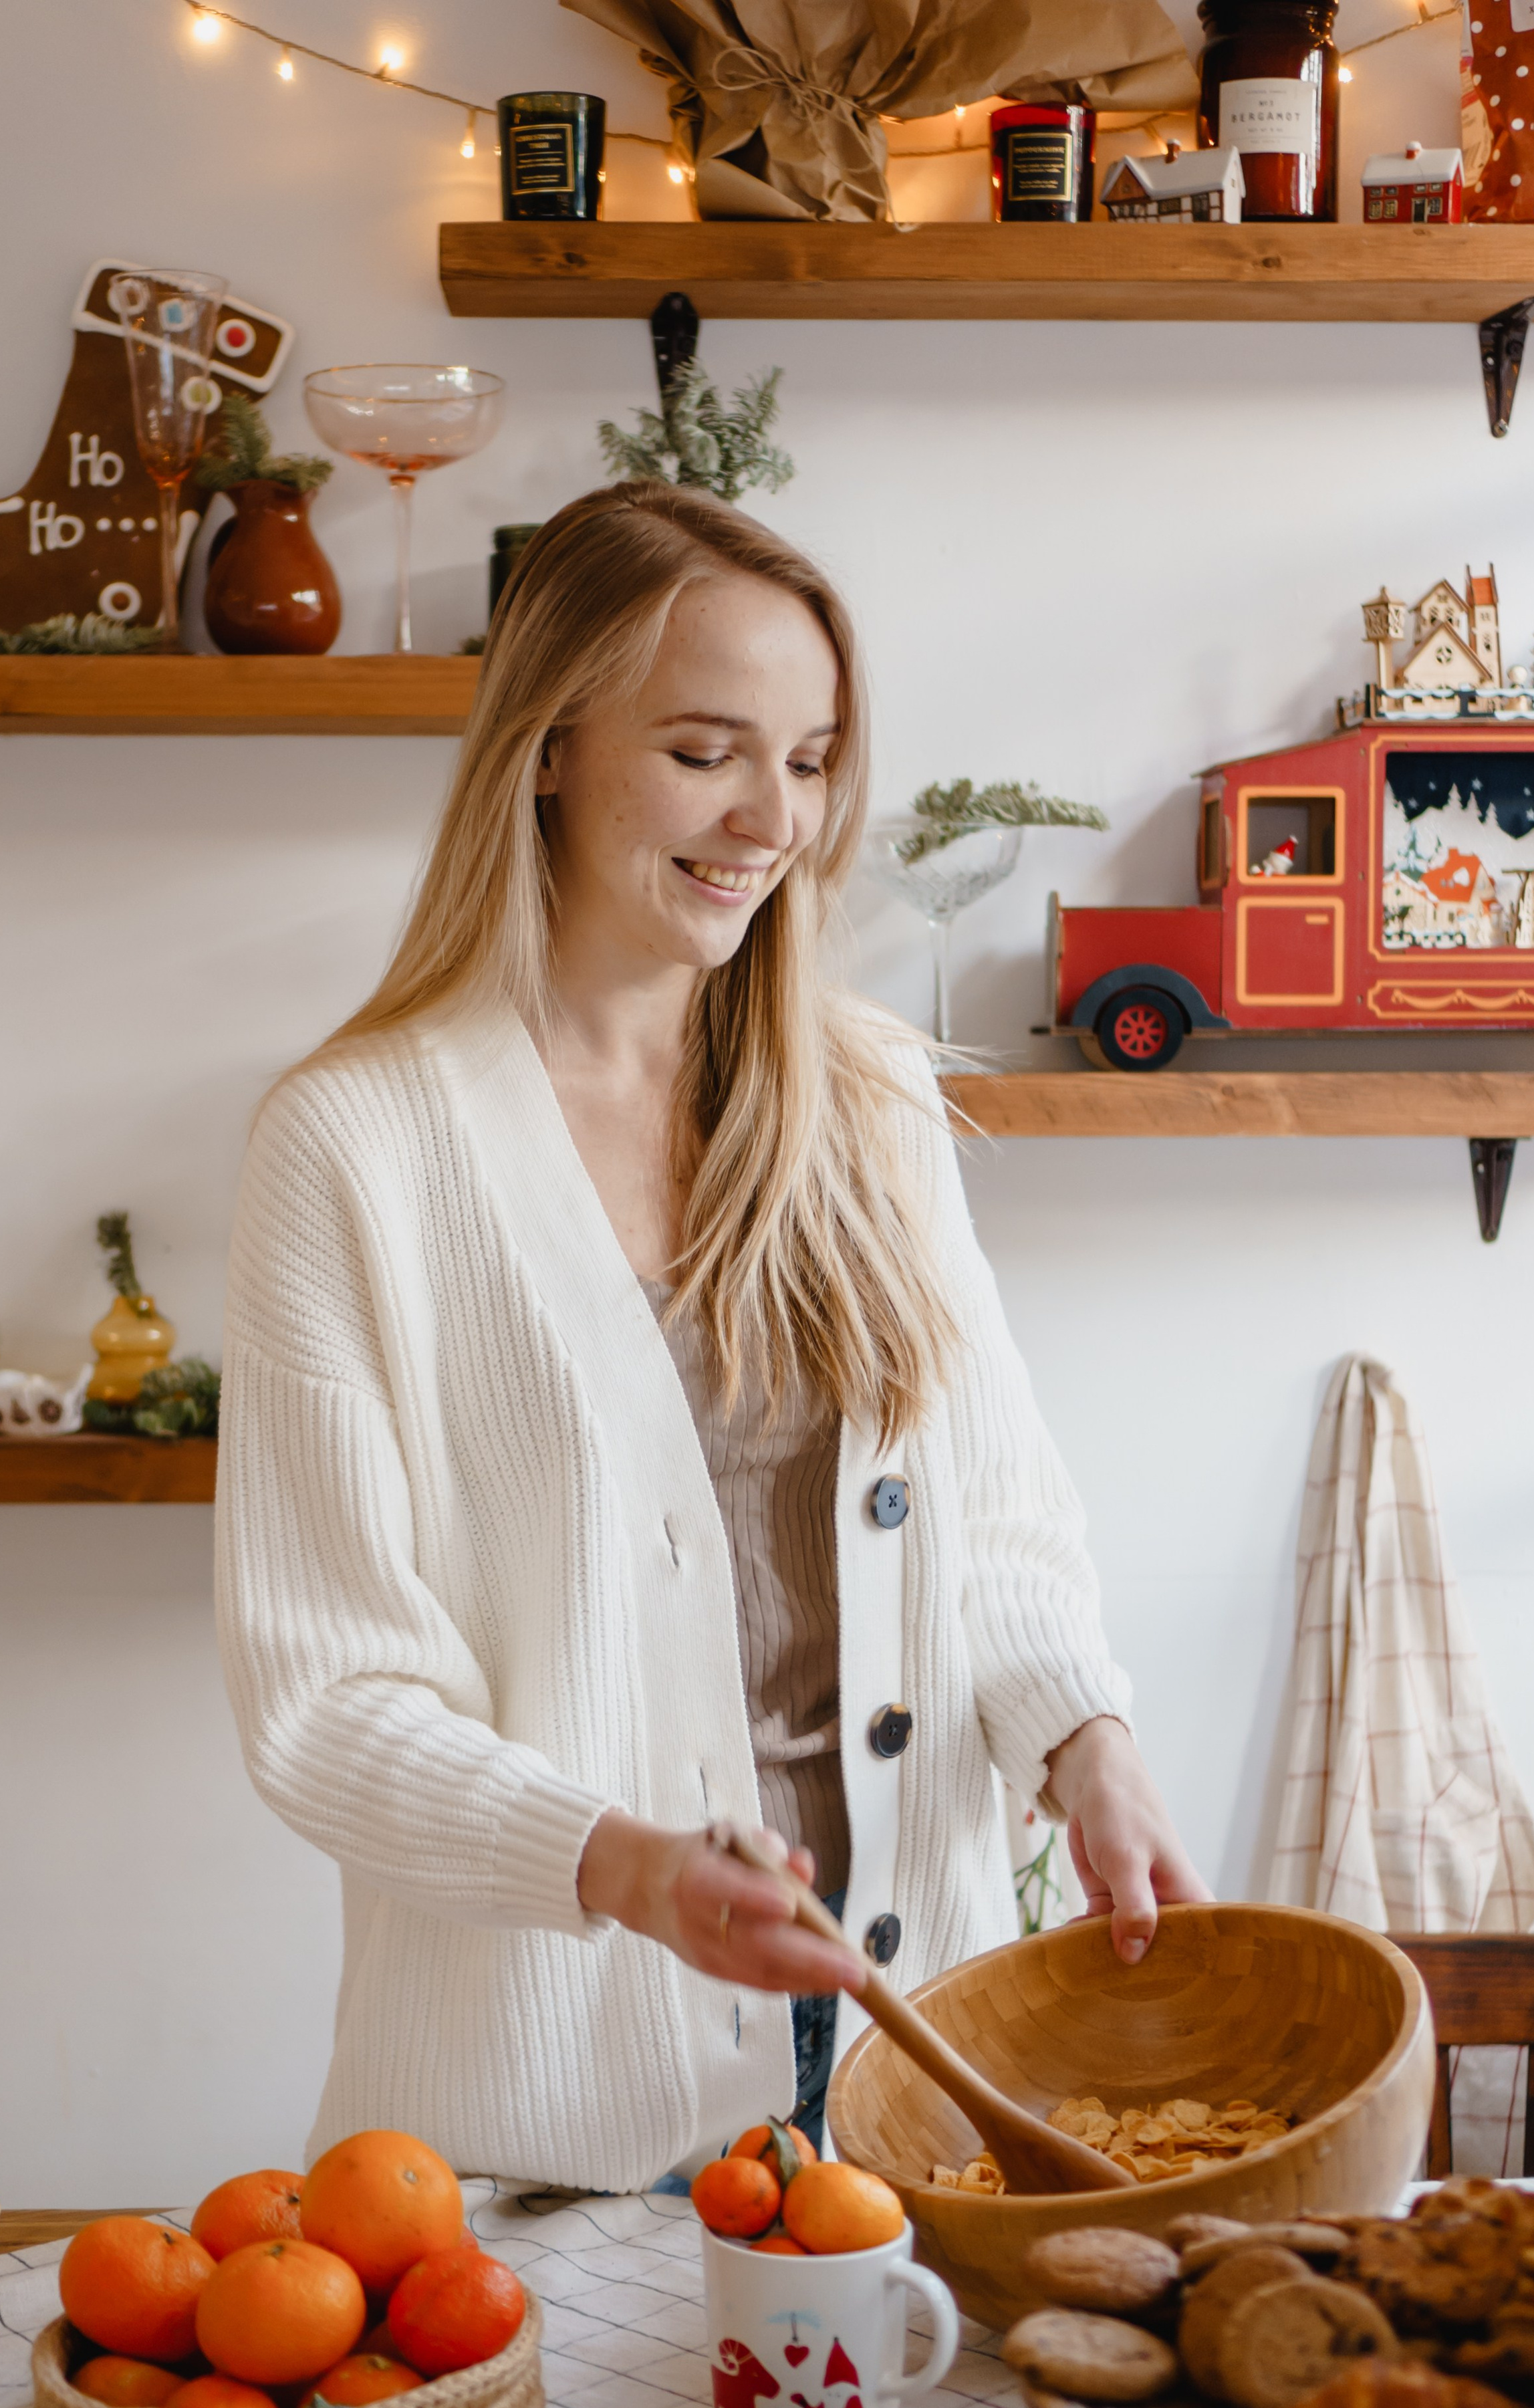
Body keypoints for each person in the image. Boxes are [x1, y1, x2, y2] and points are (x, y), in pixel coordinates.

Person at [217, 482, 1208, 2189]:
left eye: (809, 761)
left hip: (921, 2062)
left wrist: (1082, 1742)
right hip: (556, 2112)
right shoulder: (354, 1145)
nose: (772, 818)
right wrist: (624, 1868)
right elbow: (328, 1700)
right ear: (546, 748)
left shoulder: (867, 1098)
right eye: (702, 752)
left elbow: (994, 1527)